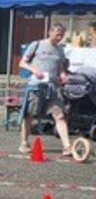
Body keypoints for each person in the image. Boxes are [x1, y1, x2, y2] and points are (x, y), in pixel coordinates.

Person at [18, 23, 72, 156]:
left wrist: (63, 75)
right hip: (37, 85)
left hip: (53, 87)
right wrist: (34, 70)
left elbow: (60, 67)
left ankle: (67, 146)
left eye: (62, 35)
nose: (59, 38)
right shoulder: (36, 45)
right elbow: (22, 62)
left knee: (59, 115)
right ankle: (24, 142)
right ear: (50, 32)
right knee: (30, 115)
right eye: (57, 34)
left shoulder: (60, 49)